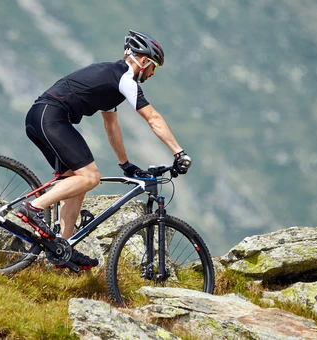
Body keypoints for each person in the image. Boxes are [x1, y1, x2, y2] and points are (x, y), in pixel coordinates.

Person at [17, 30, 192, 270]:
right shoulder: (125, 79)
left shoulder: (112, 80)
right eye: (154, 68)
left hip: (40, 116)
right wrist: (179, 153)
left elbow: (111, 125)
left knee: (76, 182)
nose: (152, 74)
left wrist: (125, 164)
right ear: (143, 61)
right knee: (91, 177)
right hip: (52, 118)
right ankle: (34, 207)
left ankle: (62, 249)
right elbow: (152, 117)